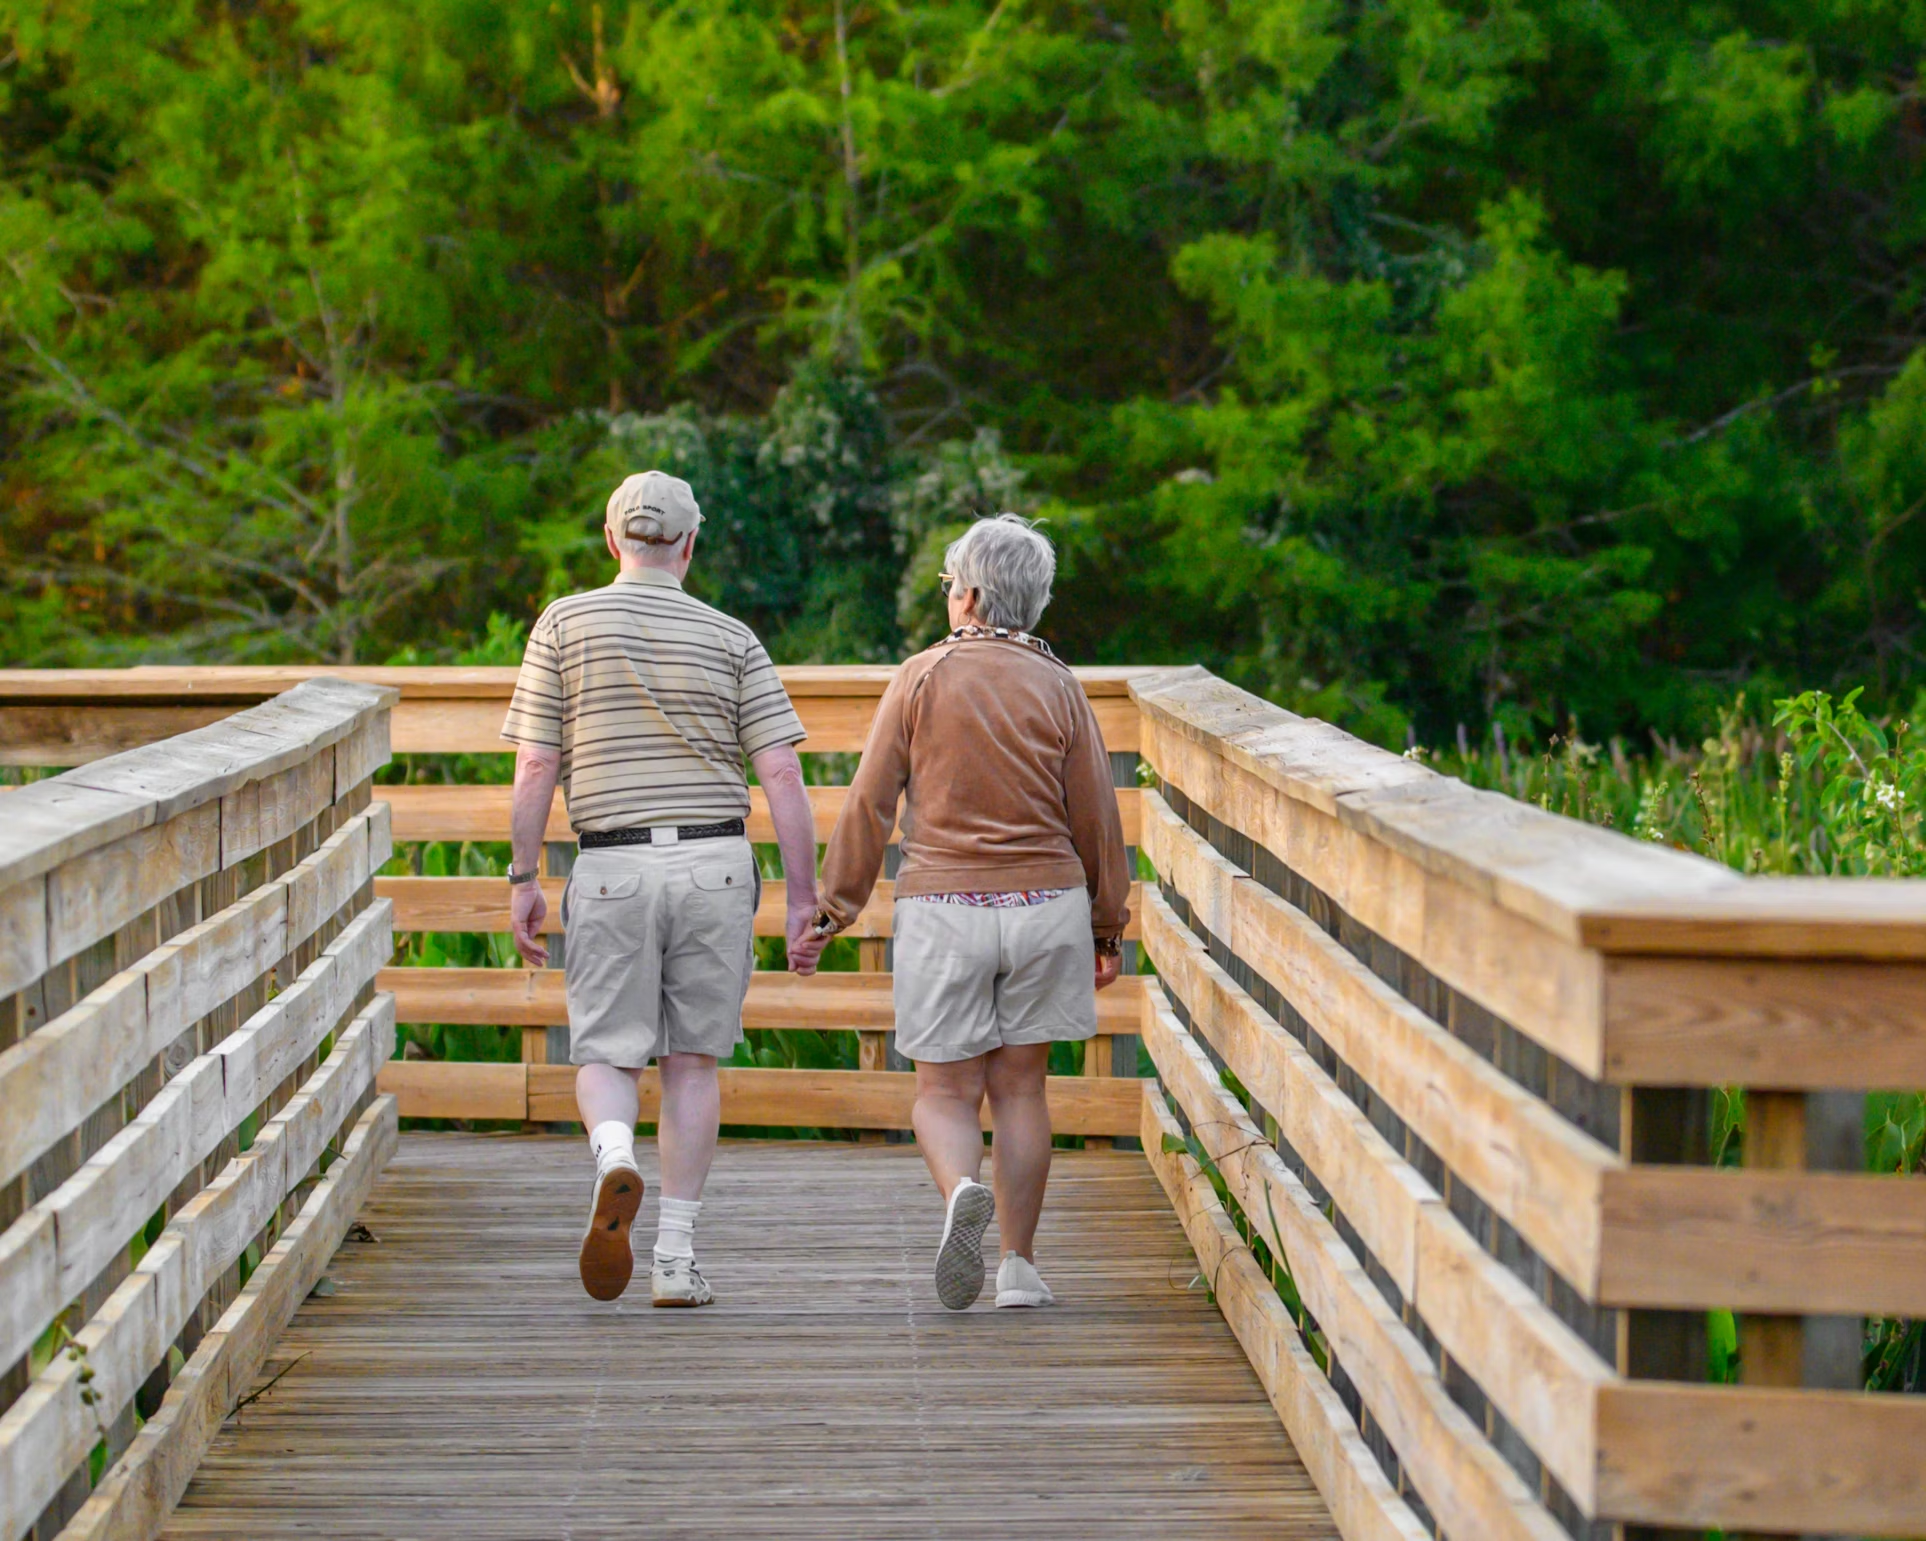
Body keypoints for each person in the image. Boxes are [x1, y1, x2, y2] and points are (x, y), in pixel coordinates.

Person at [503, 470, 822, 1307]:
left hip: (610, 863)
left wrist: (524, 875)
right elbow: (782, 770)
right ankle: (676, 1260)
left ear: (613, 541)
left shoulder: (563, 624)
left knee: (608, 1050)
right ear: (690, 544)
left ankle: (614, 1153)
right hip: (715, 865)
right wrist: (802, 895)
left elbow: (537, 761)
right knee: (691, 1063)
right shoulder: (732, 636)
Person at [794, 514, 1129, 1311]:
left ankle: (957, 1196)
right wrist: (1105, 924)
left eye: (950, 586)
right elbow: (1096, 816)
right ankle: (1018, 1266)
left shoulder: (919, 676)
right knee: (1022, 1090)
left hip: (946, 905)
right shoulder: (1060, 684)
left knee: (944, 1092)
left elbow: (872, 803)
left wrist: (832, 908)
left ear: (970, 594)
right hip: (1045, 905)